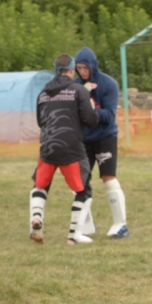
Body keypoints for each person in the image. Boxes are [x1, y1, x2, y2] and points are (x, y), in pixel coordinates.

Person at [29, 53, 99, 244]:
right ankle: (73, 235)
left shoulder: (43, 93)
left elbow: (40, 122)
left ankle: (36, 219)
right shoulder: (78, 90)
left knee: (40, 185)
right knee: (83, 190)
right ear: (71, 70)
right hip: (72, 148)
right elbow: (91, 120)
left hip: (48, 147)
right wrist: (92, 107)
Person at [75, 47, 129, 238]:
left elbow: (109, 115)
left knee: (108, 177)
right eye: (79, 68)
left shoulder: (108, 84)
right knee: (79, 180)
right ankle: (85, 226)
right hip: (84, 139)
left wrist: (90, 110)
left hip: (106, 136)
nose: (82, 72)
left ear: (92, 66)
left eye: (85, 67)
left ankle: (120, 225)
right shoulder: (76, 86)